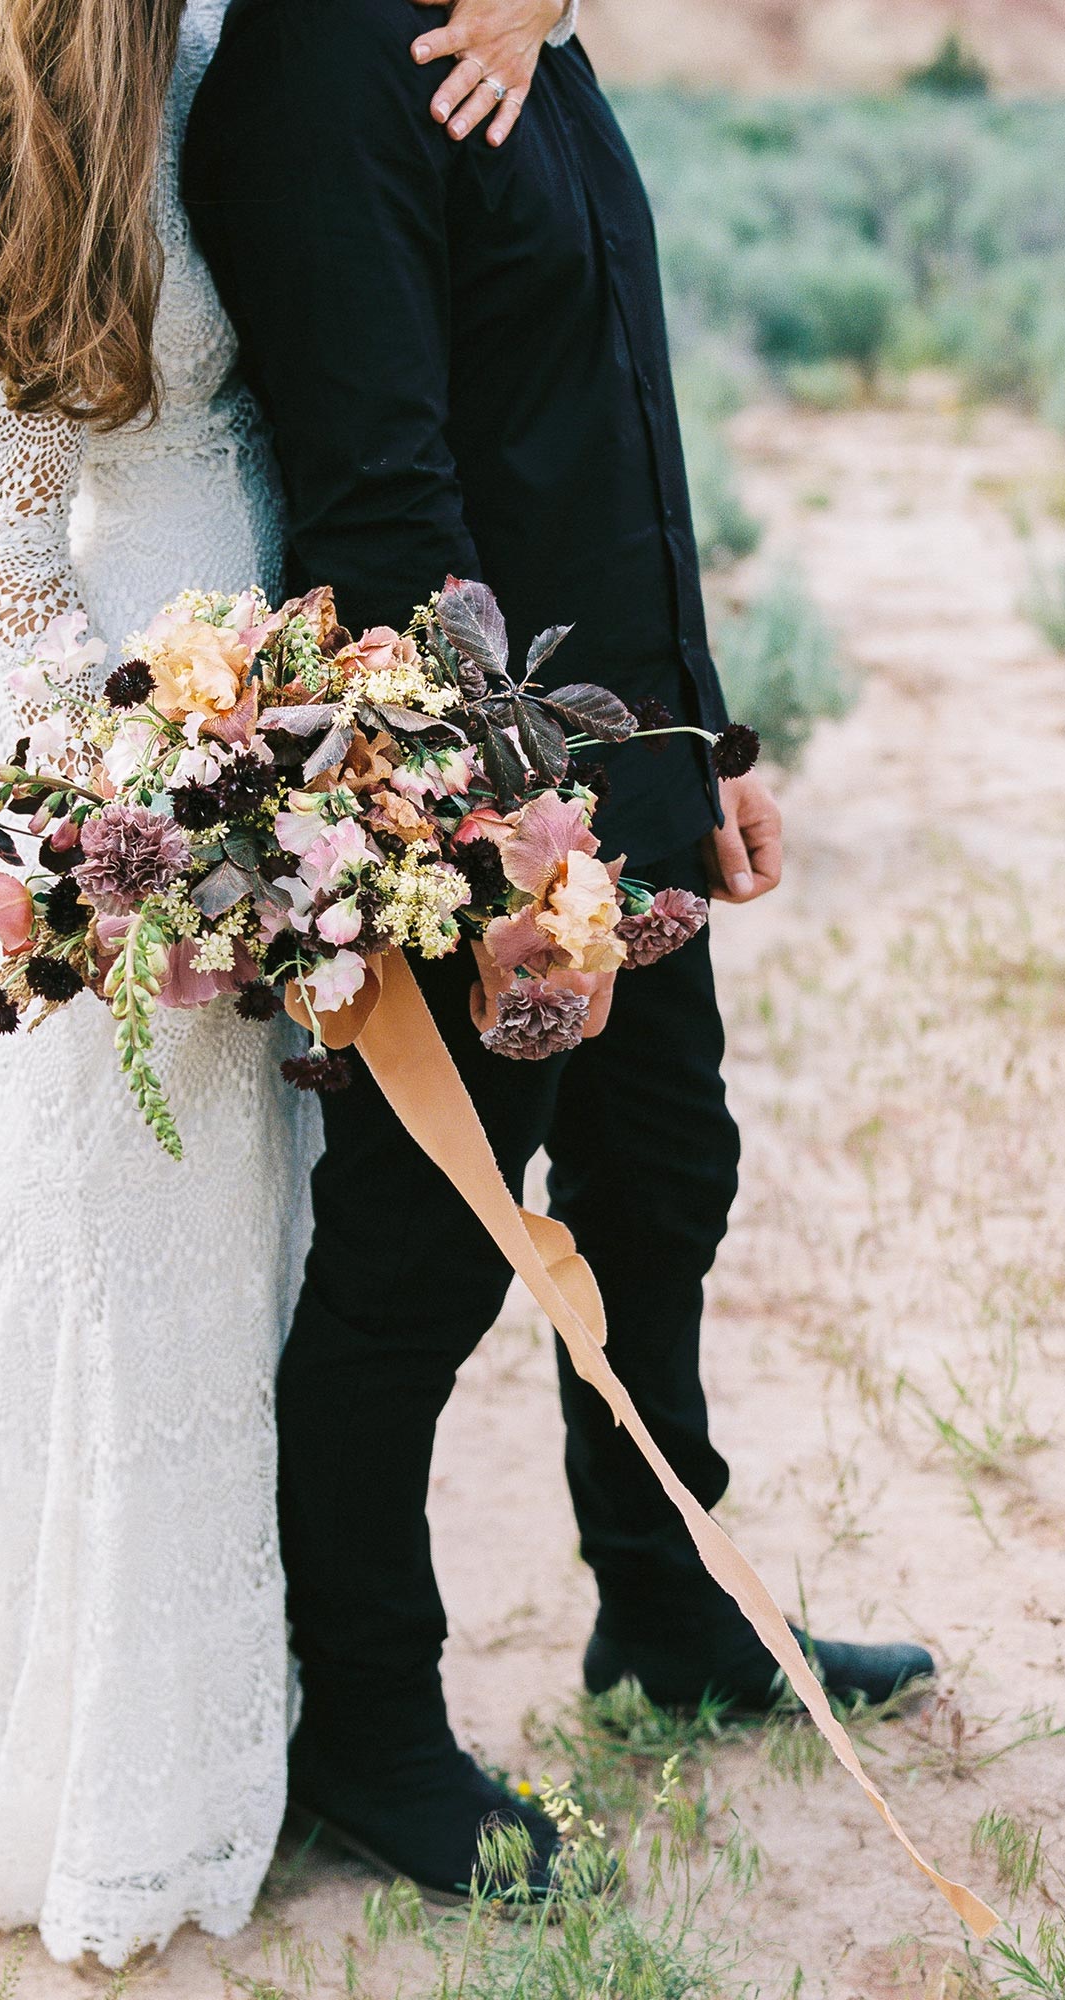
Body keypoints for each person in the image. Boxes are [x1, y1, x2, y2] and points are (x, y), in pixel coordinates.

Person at [0, 0, 571, 1967]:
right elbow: (18, 571)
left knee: (259, 1239)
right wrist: (146, 799)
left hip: (288, 673)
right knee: (126, 1243)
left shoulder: (250, 40)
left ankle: (285, 1690)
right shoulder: (38, 100)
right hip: (138, 736)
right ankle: (118, 1752)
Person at [183, 0, 934, 1903]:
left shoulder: (532, 37)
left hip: (629, 767)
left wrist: (706, 743)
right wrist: (516, 839)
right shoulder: (316, 78)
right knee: (414, 1271)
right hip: (479, 812)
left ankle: (668, 1621)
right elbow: (383, 507)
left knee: (670, 1175)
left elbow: (612, 436)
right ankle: (368, 1738)